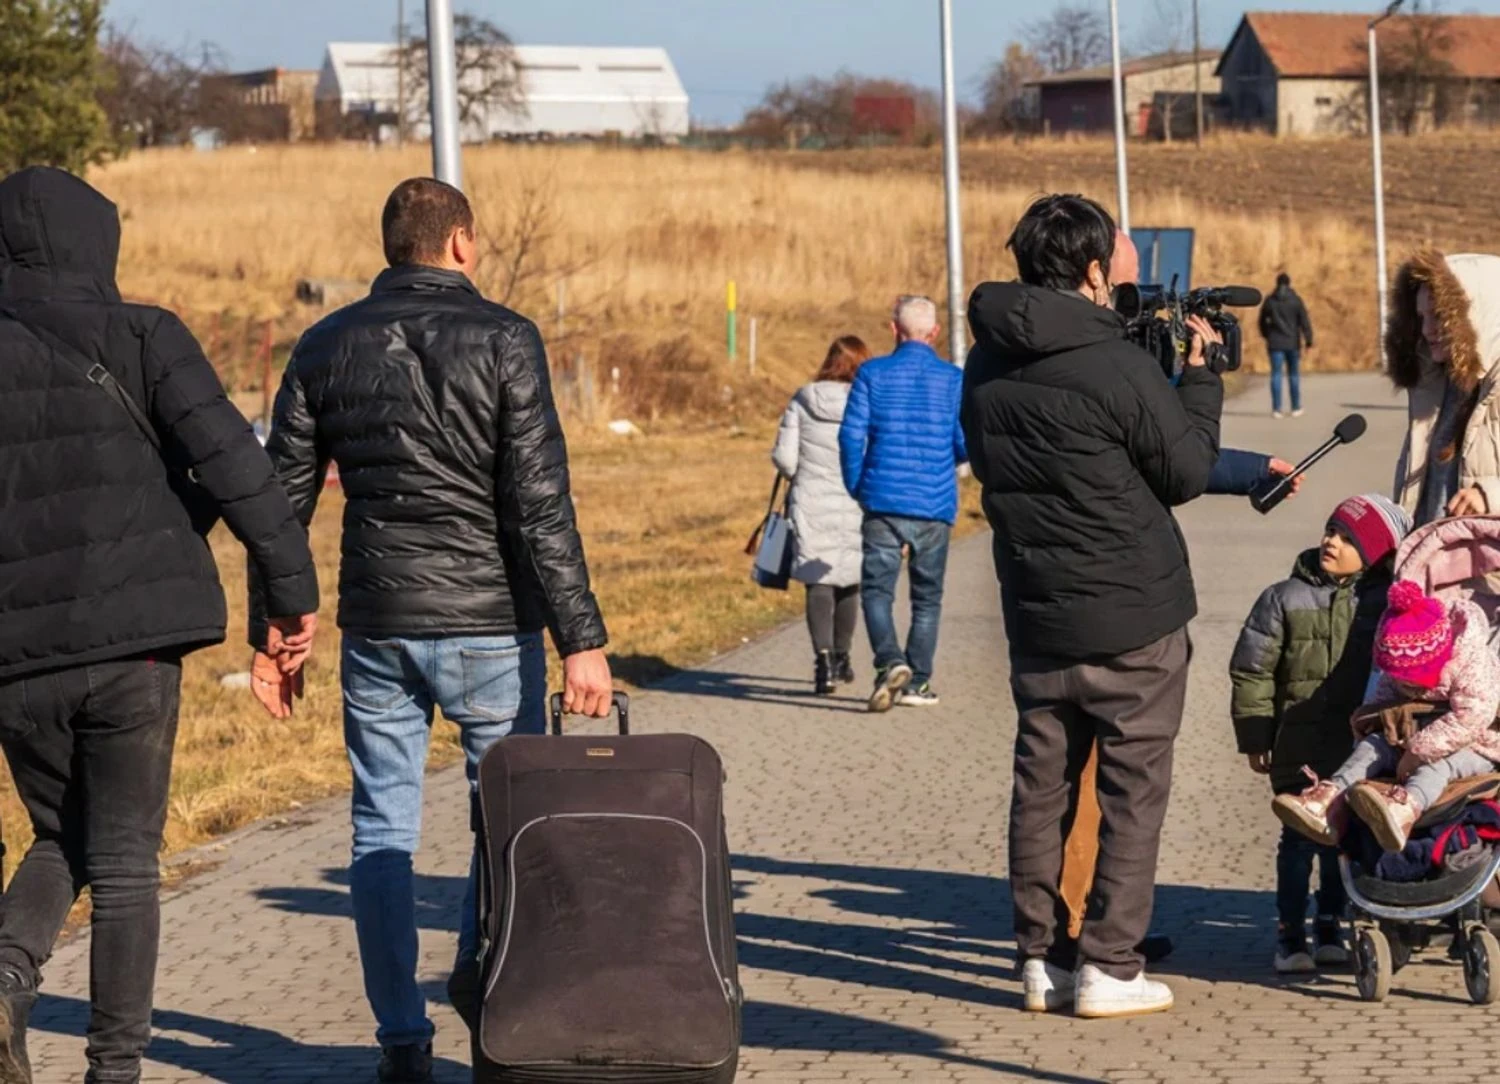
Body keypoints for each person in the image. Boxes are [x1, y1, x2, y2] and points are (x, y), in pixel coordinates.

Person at [259, 177, 614, 1083]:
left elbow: (280, 504)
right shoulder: (506, 338)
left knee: (381, 824)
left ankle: (400, 1040)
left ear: (393, 246)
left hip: (379, 622)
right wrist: (582, 638)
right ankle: (483, 977)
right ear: (460, 242)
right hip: (492, 625)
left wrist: (279, 626)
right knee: (507, 819)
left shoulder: (324, 344)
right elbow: (539, 503)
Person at [0, 167, 319, 1084]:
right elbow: (238, 470)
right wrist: (288, 598)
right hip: (135, 639)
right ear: (95, 242)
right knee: (127, 856)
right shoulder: (144, 333)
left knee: (66, 835)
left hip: (17, 660)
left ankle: (8, 974)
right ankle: (115, 1070)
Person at [963, 193, 1222, 1018]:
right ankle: (1110, 965)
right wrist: (1204, 381)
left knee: (1041, 788)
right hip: (1133, 616)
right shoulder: (1116, 363)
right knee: (1131, 792)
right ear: (1092, 270)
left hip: (1038, 609)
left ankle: (1041, 958)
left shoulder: (986, 358)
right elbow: (1182, 472)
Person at [1230, 494, 1410, 974]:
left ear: (1374, 555)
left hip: (1354, 751)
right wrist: (1255, 736)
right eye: (1331, 530)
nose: (1332, 541)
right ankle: (1291, 933)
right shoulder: (1282, 597)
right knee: (1297, 840)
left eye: (1348, 538)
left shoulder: (1383, 603)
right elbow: (1252, 672)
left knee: (1342, 841)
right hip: (1298, 743)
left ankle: (1331, 924)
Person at [1276, 580, 1500, 854]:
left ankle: (1405, 809)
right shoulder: (1397, 665)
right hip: (1414, 730)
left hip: (1478, 742)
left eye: (1413, 682)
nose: (1407, 687)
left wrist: (1417, 752)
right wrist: (1365, 726)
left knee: (1438, 767)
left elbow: (1474, 714)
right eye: (1401, 681)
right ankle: (1329, 803)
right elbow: (1380, 700)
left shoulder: (1470, 660)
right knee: (1372, 748)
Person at [838, 295, 967, 712]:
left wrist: (859, 485)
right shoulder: (952, 379)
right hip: (934, 502)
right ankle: (919, 681)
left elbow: (849, 436)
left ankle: (889, 661)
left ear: (894, 329)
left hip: (882, 498)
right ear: (934, 332)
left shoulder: (872, 374)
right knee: (927, 598)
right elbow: (965, 442)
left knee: (877, 592)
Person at [773, 335, 870, 695]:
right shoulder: (867, 400)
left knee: (819, 582)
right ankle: (844, 658)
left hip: (811, 500)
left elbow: (785, 459)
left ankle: (824, 662)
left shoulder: (803, 399)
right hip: (855, 499)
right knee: (849, 579)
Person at [1388, 251, 1500, 526]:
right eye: (1421, 317)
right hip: (1433, 560)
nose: (1427, 329)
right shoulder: (1434, 387)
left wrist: (1492, 495)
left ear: (1477, 315)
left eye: (1438, 315)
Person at [1259, 271, 1314, 418]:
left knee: (1276, 375)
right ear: (1289, 284)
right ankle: (1296, 407)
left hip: (1275, 342)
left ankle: (1277, 409)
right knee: (1293, 375)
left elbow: (1262, 321)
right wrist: (1308, 340)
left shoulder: (1270, 301)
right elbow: (1304, 321)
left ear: (1277, 284)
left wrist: (1266, 335)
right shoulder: (1296, 300)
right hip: (1292, 343)